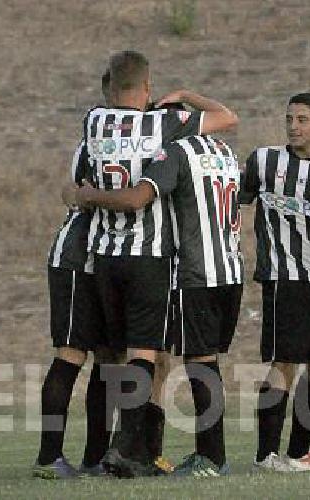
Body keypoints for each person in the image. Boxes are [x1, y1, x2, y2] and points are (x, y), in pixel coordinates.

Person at [69, 50, 238, 478]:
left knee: (113, 356)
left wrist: (88, 195)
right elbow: (226, 118)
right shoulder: (166, 126)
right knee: (147, 354)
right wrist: (182, 95)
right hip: (150, 257)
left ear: (110, 86)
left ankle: (115, 451)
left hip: (104, 255)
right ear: (147, 87)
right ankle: (128, 449)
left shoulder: (93, 121)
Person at [238, 93, 310, 472]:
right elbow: (232, 201)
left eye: (303, 119)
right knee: (284, 363)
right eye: (289, 118)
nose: (293, 126)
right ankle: (265, 455)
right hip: (284, 279)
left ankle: (298, 452)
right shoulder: (265, 161)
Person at [31, 70, 122, 480]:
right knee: (71, 354)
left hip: (111, 260)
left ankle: (95, 458)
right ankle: (49, 456)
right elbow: (75, 192)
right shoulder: (97, 142)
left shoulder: (126, 137)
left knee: (109, 358)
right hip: (77, 259)